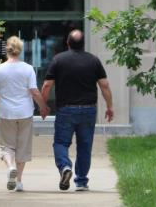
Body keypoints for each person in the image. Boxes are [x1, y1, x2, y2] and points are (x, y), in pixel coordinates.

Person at [41, 29, 114, 192]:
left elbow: (47, 85)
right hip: (88, 110)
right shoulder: (94, 61)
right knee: (85, 146)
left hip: (65, 110)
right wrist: (109, 106)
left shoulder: (58, 60)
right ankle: (81, 182)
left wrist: (43, 105)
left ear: (67, 43)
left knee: (60, 142)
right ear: (84, 44)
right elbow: (105, 85)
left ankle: (65, 167)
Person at [0, 36, 49, 192]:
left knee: (6, 146)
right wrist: (43, 106)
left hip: (6, 113)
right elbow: (34, 91)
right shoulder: (28, 68)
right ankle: (19, 181)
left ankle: (10, 167)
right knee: (23, 146)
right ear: (20, 50)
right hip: (24, 113)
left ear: (6, 50)